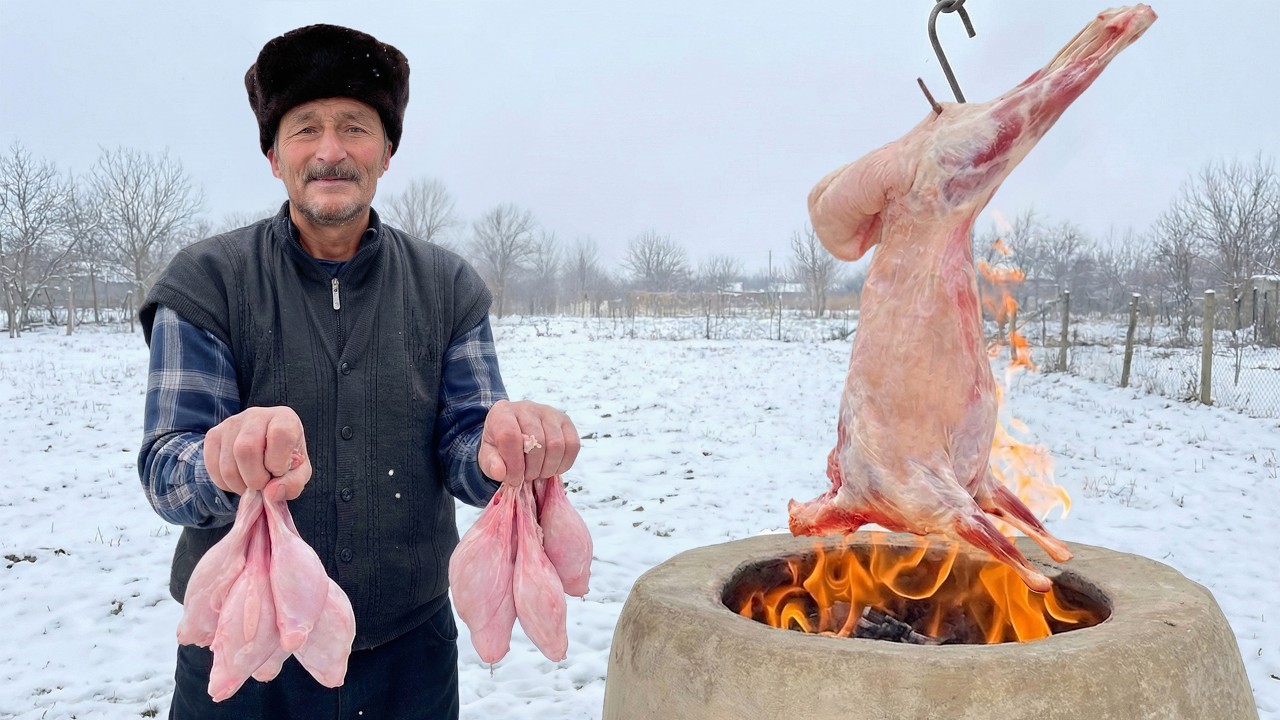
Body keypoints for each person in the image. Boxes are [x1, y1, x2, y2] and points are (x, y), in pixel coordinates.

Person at [137, 23, 579, 719]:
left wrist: (503, 446)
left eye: (356, 127)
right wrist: (222, 462)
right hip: (247, 648)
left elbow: (466, 445)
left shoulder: (447, 284)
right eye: (305, 128)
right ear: (274, 156)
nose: (331, 151)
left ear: (388, 152)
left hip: (408, 653)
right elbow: (168, 471)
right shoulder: (207, 282)